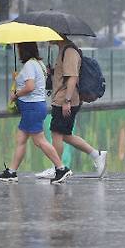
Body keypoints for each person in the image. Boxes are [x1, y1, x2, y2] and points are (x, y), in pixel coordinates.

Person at [0, 42, 72, 184]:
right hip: (34, 107)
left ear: (24, 50)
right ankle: (12, 172)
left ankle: (61, 168)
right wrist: (18, 78)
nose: (18, 51)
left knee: (39, 141)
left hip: (32, 108)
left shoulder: (30, 65)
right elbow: (33, 83)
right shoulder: (38, 64)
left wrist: (16, 94)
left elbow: (30, 87)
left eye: (19, 48)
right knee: (21, 140)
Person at [35, 36, 107, 179]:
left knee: (56, 132)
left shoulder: (69, 51)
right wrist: (53, 72)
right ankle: (96, 154)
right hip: (62, 98)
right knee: (65, 135)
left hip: (65, 99)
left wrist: (67, 100)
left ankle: (57, 168)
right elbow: (66, 75)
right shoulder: (64, 50)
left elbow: (73, 77)